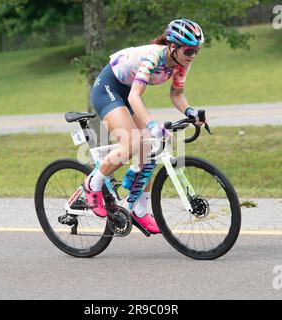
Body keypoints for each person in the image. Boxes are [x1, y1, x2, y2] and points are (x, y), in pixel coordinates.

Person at [84, 19, 206, 234]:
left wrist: (190, 112)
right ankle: (93, 184)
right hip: (108, 89)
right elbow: (134, 96)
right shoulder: (153, 56)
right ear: (173, 46)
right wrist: (152, 124)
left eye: (197, 50)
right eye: (189, 50)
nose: (193, 56)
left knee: (150, 147)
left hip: (128, 92)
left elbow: (176, 94)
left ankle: (139, 210)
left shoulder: (182, 62)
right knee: (132, 143)